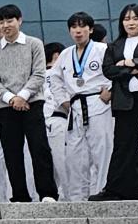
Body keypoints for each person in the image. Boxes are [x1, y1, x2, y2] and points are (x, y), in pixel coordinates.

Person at [0, 4, 58, 203]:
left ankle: (48, 193)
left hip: (33, 103)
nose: (6, 25)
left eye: (10, 20)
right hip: (5, 106)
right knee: (12, 152)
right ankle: (20, 195)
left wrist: (23, 96)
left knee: (39, 148)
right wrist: (11, 98)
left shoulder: (34, 44)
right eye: (1, 22)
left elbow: (39, 74)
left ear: (19, 21)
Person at [48, 13, 112, 202]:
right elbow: (54, 78)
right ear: (69, 31)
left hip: (98, 102)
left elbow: (116, 72)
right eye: (74, 27)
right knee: (75, 155)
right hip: (75, 106)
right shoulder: (66, 54)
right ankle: (77, 198)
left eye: (82, 26)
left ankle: (104, 191)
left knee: (102, 150)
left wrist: (110, 90)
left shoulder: (102, 49)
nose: (78, 31)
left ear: (90, 29)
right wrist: (63, 100)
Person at [95, 4, 138, 201]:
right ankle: (117, 188)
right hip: (124, 100)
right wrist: (136, 70)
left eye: (135, 18)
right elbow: (108, 70)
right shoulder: (115, 45)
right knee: (123, 145)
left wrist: (130, 63)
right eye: (127, 19)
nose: (131, 23)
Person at [42, 42, 70, 201]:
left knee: (48, 167)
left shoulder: (38, 75)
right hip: (57, 120)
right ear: (57, 56)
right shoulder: (57, 75)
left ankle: (53, 197)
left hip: (43, 124)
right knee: (63, 163)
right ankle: (69, 197)